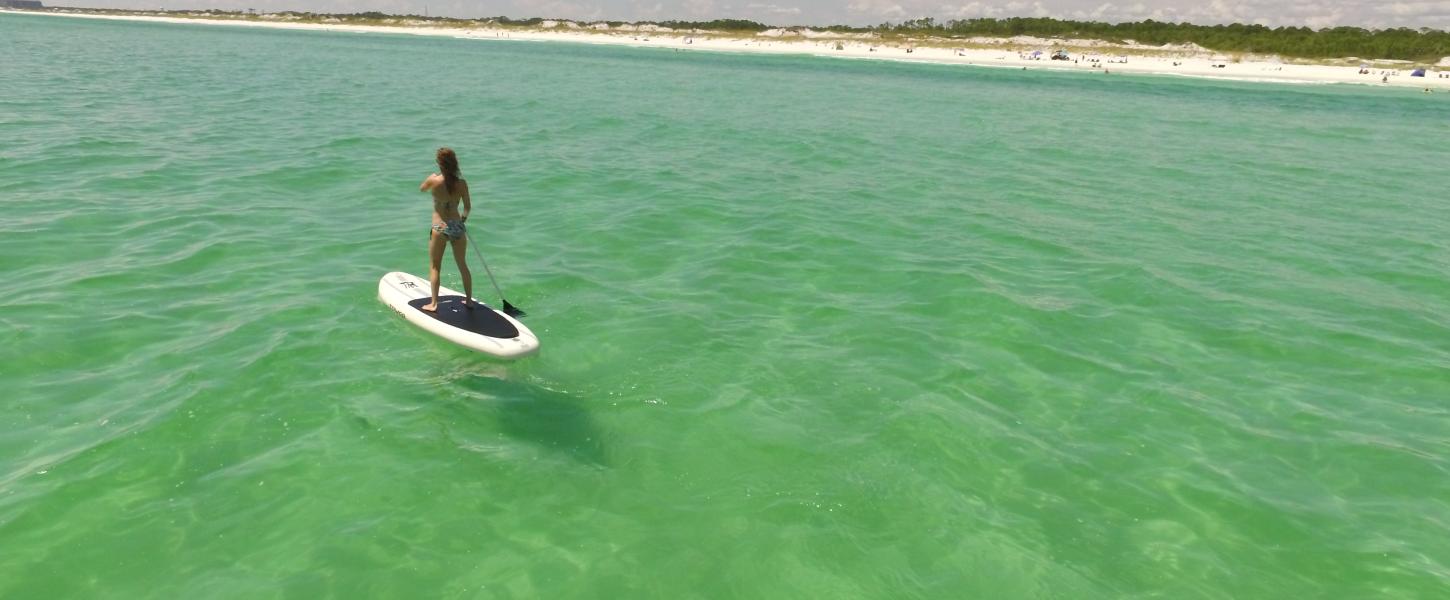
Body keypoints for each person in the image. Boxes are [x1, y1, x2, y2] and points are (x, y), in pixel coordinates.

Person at [419, 147, 473, 312]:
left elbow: (422, 189)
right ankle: (469, 301)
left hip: (439, 227)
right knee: (462, 264)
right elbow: (467, 208)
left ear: (440, 164)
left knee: (435, 266)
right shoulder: (462, 183)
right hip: (457, 226)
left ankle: (434, 304)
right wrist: (462, 221)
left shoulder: (434, 181)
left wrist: (430, 178)